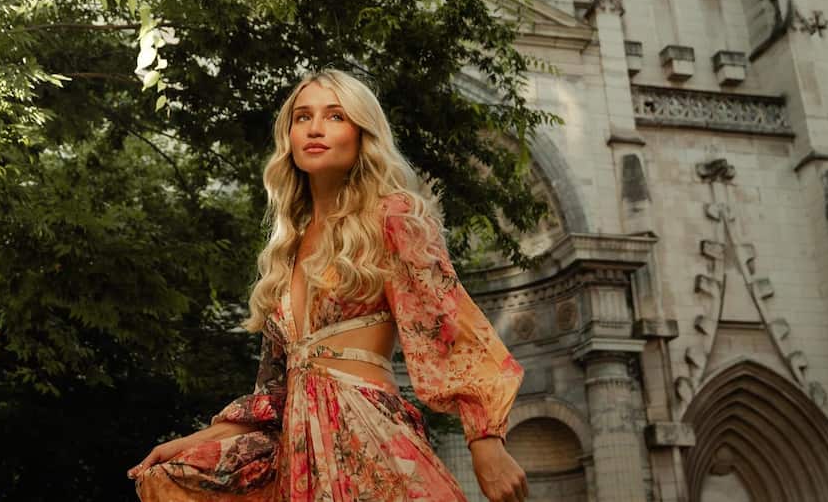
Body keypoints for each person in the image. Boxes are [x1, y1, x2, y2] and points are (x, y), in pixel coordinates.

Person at [128, 69, 530, 502]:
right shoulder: (287, 251)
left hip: (368, 437)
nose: (315, 128)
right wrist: (194, 441)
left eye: (335, 116)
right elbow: (274, 395)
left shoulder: (392, 216)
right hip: (300, 455)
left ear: (362, 133)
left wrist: (485, 441)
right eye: (302, 117)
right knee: (170, 478)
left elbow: (450, 327)